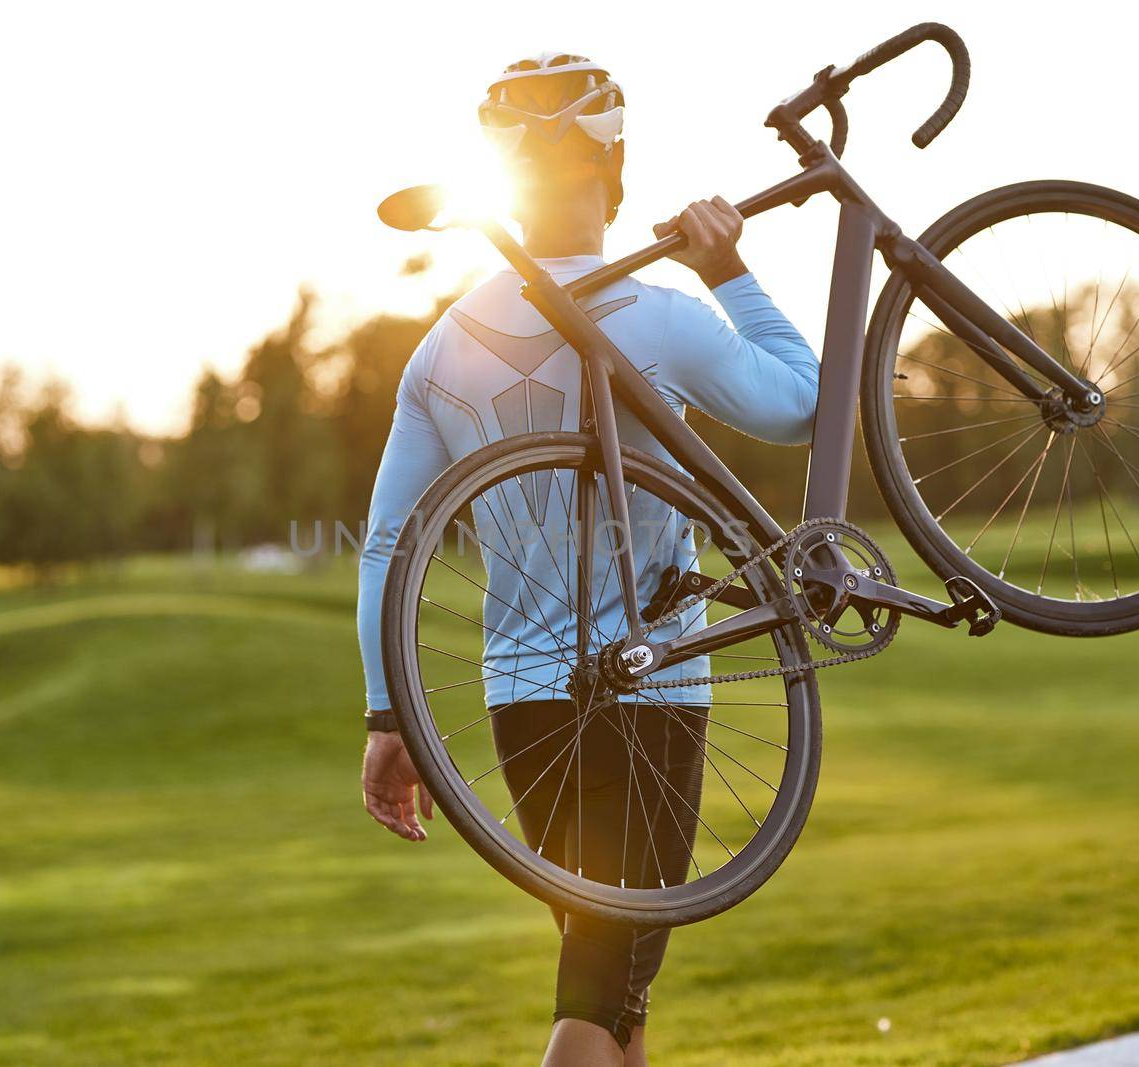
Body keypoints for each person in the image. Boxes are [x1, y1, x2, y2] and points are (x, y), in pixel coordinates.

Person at [356, 53, 820, 1067]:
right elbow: (803, 403)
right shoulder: (654, 313)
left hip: (521, 708)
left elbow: (388, 547)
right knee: (594, 995)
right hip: (652, 693)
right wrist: (728, 271)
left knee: (615, 991)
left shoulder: (444, 346)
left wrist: (388, 714)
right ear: (613, 170)